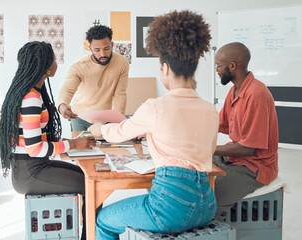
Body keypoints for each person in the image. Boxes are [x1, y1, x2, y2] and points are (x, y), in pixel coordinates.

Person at [88, 10, 219, 239]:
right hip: (206, 205)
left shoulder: (156, 106)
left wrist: (100, 129)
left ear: (165, 69)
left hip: (170, 208)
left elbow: (118, 133)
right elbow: (203, 150)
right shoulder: (210, 109)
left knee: (103, 221)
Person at [0, 41, 95, 240]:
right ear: (47, 68)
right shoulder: (31, 97)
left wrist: (67, 142)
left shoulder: (29, 92)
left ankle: (89, 234)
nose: (56, 63)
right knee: (92, 186)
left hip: (33, 167)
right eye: (54, 59)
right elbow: (35, 148)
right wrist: (74, 144)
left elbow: (33, 141)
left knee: (89, 178)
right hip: (31, 172)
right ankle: (91, 236)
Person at [213, 42, 278, 221]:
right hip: (238, 158)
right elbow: (218, 123)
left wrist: (208, 148)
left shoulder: (257, 94)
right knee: (191, 165)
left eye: (218, 65)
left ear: (232, 66)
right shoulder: (235, 90)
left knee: (209, 195)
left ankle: (213, 224)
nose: (216, 70)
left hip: (255, 167)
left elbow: (247, 149)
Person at [58, 25, 129, 131]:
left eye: (106, 48)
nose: (102, 54)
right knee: (80, 147)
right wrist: (62, 106)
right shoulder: (79, 67)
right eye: (97, 50)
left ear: (112, 45)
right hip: (80, 118)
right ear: (90, 48)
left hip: (106, 118)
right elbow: (68, 89)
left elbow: (120, 94)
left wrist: (118, 120)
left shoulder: (122, 63)